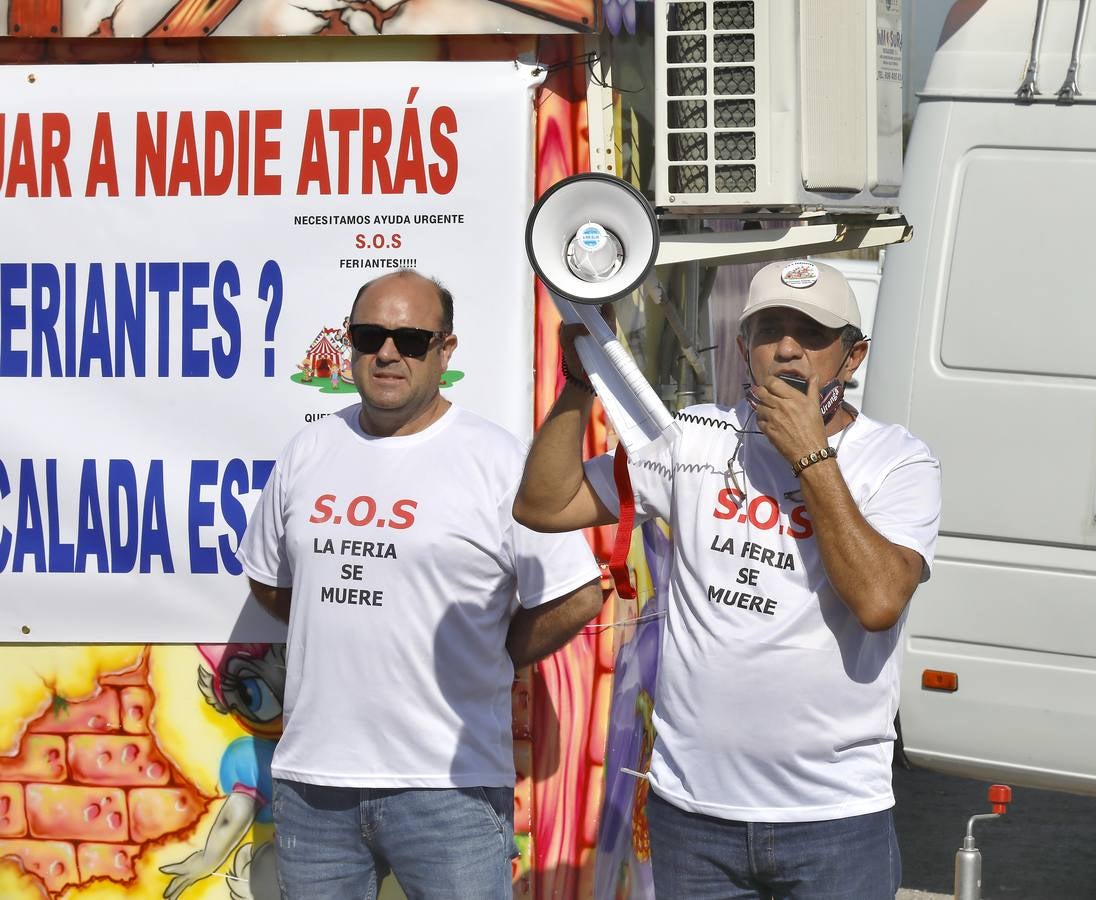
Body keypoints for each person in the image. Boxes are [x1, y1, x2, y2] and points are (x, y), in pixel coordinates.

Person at [514, 258, 941, 899]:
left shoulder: (898, 461)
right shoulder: (696, 441)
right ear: (744, 348)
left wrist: (810, 457)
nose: (788, 348)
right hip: (694, 814)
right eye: (770, 329)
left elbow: (878, 601)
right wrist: (578, 387)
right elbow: (546, 505)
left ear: (852, 358)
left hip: (832, 818)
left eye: (814, 333)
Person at [237, 269, 604, 899]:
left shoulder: (496, 459)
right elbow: (271, 583)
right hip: (314, 785)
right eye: (369, 335)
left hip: (449, 787)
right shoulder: (309, 449)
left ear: (446, 350)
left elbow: (577, 595)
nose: (386, 352)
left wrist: (495, 650)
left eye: (410, 338)